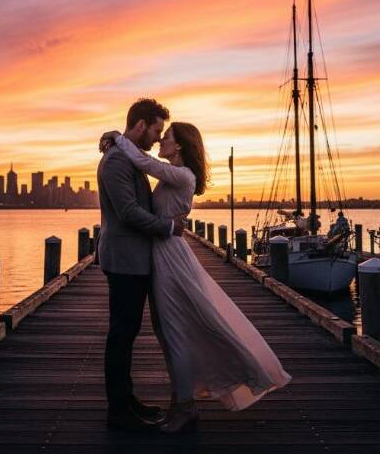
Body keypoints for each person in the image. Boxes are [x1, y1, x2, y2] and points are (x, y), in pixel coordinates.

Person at [100, 118, 291, 433]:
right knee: (167, 332)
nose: (161, 140)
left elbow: (143, 161)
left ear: (179, 146)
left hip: (169, 258)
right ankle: (179, 402)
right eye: (160, 134)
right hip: (160, 257)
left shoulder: (181, 175)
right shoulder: (174, 176)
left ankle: (186, 408)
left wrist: (118, 137)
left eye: (167, 136)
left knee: (174, 332)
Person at [97, 98, 186, 431]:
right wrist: (169, 227)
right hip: (124, 261)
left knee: (127, 332)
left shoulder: (129, 157)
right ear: (140, 125)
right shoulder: (118, 161)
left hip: (134, 261)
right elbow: (129, 213)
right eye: (155, 130)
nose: (156, 137)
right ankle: (118, 412)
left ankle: (127, 401)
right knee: (121, 334)